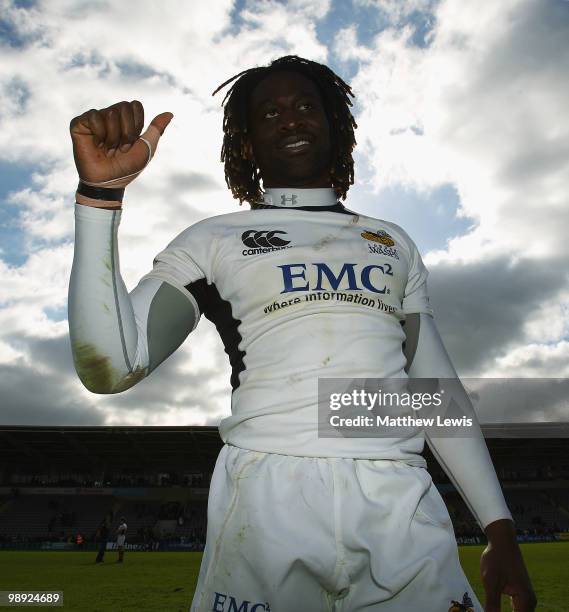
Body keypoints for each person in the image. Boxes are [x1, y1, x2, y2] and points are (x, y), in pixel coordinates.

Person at [68, 56, 536, 611]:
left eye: (306, 106)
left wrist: (499, 527)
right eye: (269, 112)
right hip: (266, 499)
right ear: (246, 143)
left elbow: (431, 394)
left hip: (399, 500)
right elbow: (113, 367)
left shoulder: (392, 242)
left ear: (334, 125)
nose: (291, 120)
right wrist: (100, 199)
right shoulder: (212, 242)